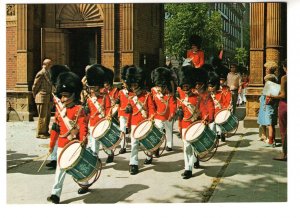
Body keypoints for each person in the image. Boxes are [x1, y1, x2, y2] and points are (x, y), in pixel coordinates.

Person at [47, 71, 88, 204]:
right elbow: (55, 130)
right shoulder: (59, 110)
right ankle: (55, 194)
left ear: (73, 95)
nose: (63, 99)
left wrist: (83, 140)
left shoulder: (79, 109)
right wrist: (51, 145)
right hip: (62, 145)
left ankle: (84, 183)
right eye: (62, 96)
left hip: (75, 143)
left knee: (78, 166)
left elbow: (83, 126)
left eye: (66, 96)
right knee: (60, 169)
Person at [176, 66, 211, 179]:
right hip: (185, 125)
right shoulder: (181, 98)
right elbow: (180, 116)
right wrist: (180, 126)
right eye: (184, 86)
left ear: (190, 86)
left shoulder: (198, 97)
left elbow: (204, 110)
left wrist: (206, 118)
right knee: (186, 147)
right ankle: (188, 168)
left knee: (192, 146)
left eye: (187, 86)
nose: (185, 88)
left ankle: (191, 164)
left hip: (195, 124)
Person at [124, 66, 156, 175]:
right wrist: (128, 111)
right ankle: (133, 163)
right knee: (134, 144)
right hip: (134, 123)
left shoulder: (147, 95)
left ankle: (149, 154)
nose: (133, 87)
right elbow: (129, 111)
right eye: (131, 85)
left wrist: (151, 117)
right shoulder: (130, 97)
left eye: (135, 85)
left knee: (146, 143)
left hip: (144, 122)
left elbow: (151, 109)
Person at [84, 64, 114, 164]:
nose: (92, 90)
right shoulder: (88, 99)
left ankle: (110, 152)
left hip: (102, 122)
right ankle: (95, 159)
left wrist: (108, 116)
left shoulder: (105, 97)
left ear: (98, 87)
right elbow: (87, 114)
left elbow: (109, 108)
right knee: (94, 143)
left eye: (94, 88)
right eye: (91, 88)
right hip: (92, 124)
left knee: (104, 142)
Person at [45, 64, 71, 169]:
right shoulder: (56, 91)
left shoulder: (68, 91)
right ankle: (54, 159)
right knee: (54, 138)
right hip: (59, 118)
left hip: (68, 118)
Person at [192, 67, 215, 168]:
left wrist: (209, 118)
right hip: (192, 119)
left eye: (199, 84)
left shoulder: (206, 95)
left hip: (202, 120)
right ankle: (194, 160)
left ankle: (197, 158)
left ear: (203, 84)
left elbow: (211, 107)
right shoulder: (191, 93)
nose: (197, 86)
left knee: (198, 140)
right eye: (196, 84)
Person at [151, 67, 177, 152]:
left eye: (161, 86)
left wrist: (172, 114)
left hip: (168, 115)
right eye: (158, 86)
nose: (159, 88)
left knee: (169, 130)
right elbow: (152, 103)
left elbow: (173, 105)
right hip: (158, 115)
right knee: (159, 130)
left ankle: (169, 145)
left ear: (165, 86)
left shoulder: (169, 94)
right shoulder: (153, 90)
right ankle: (157, 145)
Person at [257, 61, 278, 147]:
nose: (265, 70)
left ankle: (270, 139)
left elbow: (269, 91)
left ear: (270, 69)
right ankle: (265, 136)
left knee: (269, 122)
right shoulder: (274, 78)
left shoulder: (270, 78)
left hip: (268, 101)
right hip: (267, 100)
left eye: (266, 68)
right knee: (265, 119)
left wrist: (265, 99)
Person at [270, 59, 287, 161]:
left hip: (285, 105)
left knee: (284, 131)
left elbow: (283, 94)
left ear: (285, 67)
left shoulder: (284, 78)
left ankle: (285, 154)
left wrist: (273, 96)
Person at [208, 71, 232, 142]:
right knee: (212, 127)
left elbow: (226, 102)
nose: (211, 88)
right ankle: (214, 139)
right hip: (211, 113)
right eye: (210, 86)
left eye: (212, 86)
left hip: (219, 112)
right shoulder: (207, 95)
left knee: (219, 127)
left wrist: (226, 109)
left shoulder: (221, 93)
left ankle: (221, 134)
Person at [32, 58, 53, 139]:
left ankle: (45, 132)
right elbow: (35, 86)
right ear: (46, 64)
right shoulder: (41, 73)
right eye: (50, 64)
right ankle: (40, 133)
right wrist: (35, 96)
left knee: (47, 116)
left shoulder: (47, 73)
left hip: (47, 97)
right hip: (41, 97)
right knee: (42, 116)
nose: (51, 66)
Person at [117, 65, 133, 154]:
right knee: (122, 130)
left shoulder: (133, 92)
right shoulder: (120, 92)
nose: (124, 84)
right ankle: (123, 146)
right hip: (123, 113)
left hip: (131, 113)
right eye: (124, 83)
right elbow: (119, 104)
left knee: (131, 130)